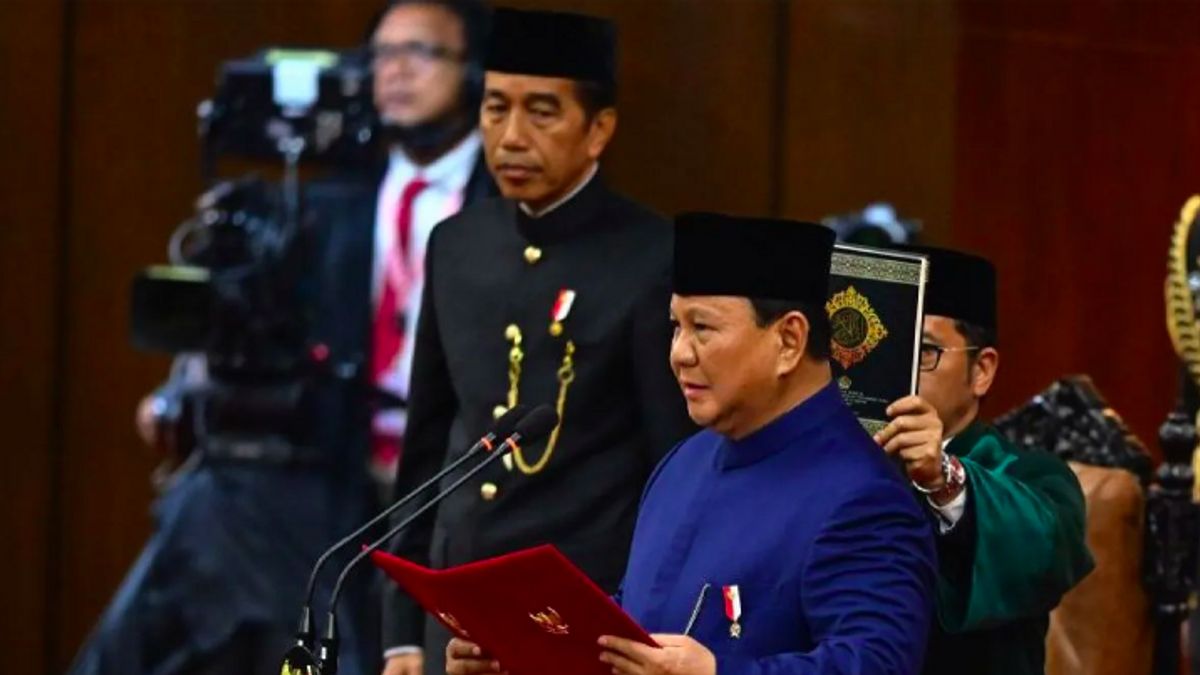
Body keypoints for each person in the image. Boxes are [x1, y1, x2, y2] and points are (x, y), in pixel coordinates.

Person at [70, 3, 493, 674]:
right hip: (332, 468)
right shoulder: (324, 203)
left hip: (453, 474)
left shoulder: (505, 197)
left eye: (421, 52)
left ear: (473, 74)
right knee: (215, 506)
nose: (395, 72)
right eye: (381, 56)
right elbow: (252, 317)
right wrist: (179, 391)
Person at [447, 213, 938, 674]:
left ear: (788, 340)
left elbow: (876, 664)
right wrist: (520, 654)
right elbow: (634, 631)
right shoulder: (685, 462)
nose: (679, 354)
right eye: (675, 326)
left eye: (702, 328)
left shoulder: (862, 496)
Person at [382, 8, 693, 675]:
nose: (511, 136)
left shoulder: (652, 256)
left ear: (598, 129)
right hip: (459, 610)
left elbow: (674, 465)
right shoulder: (457, 243)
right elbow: (429, 442)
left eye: (542, 112)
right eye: (496, 108)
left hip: (581, 606)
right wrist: (401, 630)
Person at [873, 245, 1092, 675]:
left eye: (924, 352)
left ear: (982, 371)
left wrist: (942, 480)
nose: (899, 371)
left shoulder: (1031, 474)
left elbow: (1047, 553)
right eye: (886, 348)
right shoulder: (839, 463)